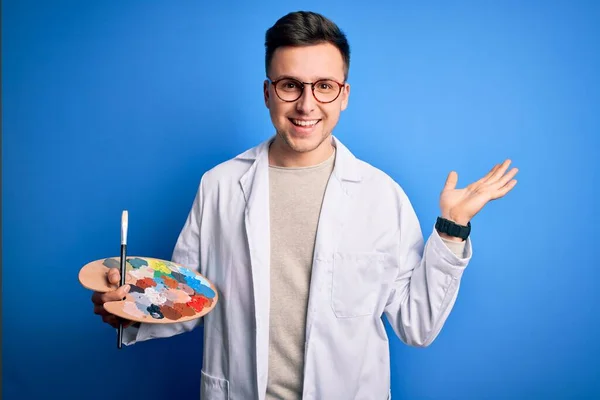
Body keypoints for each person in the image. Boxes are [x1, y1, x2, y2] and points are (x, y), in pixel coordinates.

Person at [91, 10, 518, 400]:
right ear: (267, 92)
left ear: (344, 94)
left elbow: (416, 324)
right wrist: (129, 308)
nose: (307, 104)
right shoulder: (219, 186)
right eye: (290, 84)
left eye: (324, 87)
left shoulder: (381, 195)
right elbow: (190, 301)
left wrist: (453, 226)